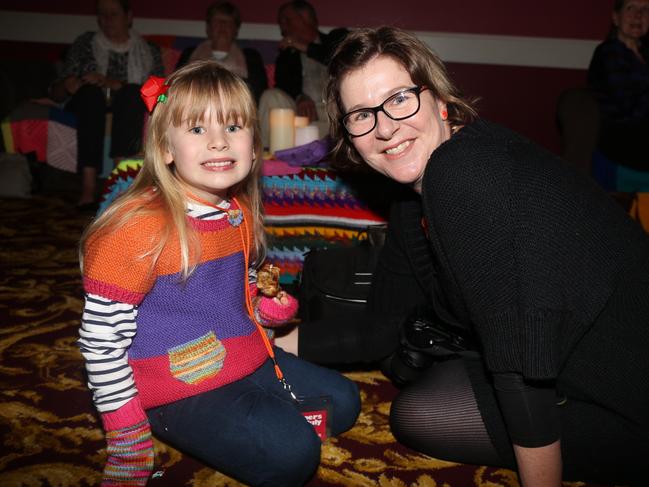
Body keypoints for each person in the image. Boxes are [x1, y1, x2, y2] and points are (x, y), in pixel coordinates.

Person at [320, 26, 649, 487]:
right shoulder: (414, 194)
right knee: (421, 397)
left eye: (398, 99)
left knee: (426, 413)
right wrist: (266, 338)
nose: (385, 127)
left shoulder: (462, 172)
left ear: (438, 100)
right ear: (349, 134)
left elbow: (516, 359)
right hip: (573, 362)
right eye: (361, 114)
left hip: (630, 389)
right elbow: (380, 328)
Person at [78, 61, 360, 486]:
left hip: (244, 354)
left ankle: (257, 420)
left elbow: (232, 290)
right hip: (177, 384)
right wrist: (127, 436)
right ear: (166, 148)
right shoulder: (135, 230)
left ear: (253, 144)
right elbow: (100, 344)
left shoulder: (237, 212)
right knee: (294, 456)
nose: (218, 142)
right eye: (196, 130)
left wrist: (266, 307)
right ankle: (164, 421)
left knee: (346, 401)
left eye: (233, 127)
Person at [52, 0, 164, 210]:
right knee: (91, 96)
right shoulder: (85, 43)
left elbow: (158, 91)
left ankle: (118, 181)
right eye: (102, 15)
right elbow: (61, 87)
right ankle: (88, 186)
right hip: (90, 103)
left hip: (128, 104)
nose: (107, 20)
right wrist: (71, 83)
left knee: (132, 93)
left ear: (128, 17)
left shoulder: (149, 50)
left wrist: (116, 84)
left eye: (114, 14)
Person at [258, 0, 348, 148]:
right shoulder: (287, 55)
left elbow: (339, 59)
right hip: (302, 115)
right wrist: (300, 97)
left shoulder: (336, 39)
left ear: (306, 17)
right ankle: (268, 155)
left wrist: (301, 46)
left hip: (334, 113)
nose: (282, 27)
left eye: (286, 20)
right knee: (271, 95)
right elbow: (283, 84)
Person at [588, 0, 649, 171]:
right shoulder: (608, 54)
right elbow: (629, 107)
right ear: (616, 17)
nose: (638, 15)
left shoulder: (646, 52)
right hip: (623, 140)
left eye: (645, 10)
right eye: (631, 8)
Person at [175, 1, 268, 104]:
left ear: (236, 30)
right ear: (208, 29)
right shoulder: (190, 53)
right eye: (217, 21)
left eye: (228, 22)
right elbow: (175, 85)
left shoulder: (251, 56)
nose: (222, 25)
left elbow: (258, 93)